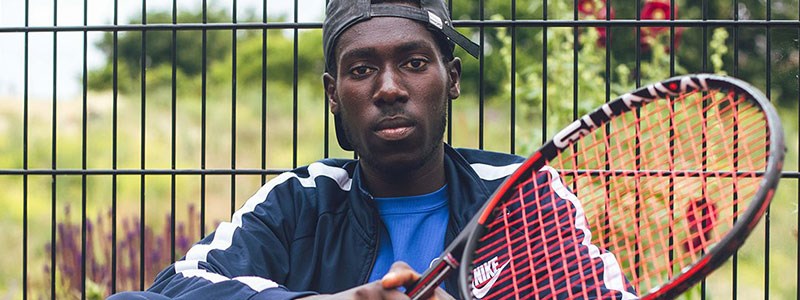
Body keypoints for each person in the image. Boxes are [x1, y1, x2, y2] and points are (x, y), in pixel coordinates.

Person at [110, 0, 636, 299]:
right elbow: (175, 286)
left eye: (413, 62)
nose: (388, 88)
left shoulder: (519, 191)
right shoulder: (302, 200)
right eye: (361, 70)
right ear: (334, 94)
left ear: (450, 79)